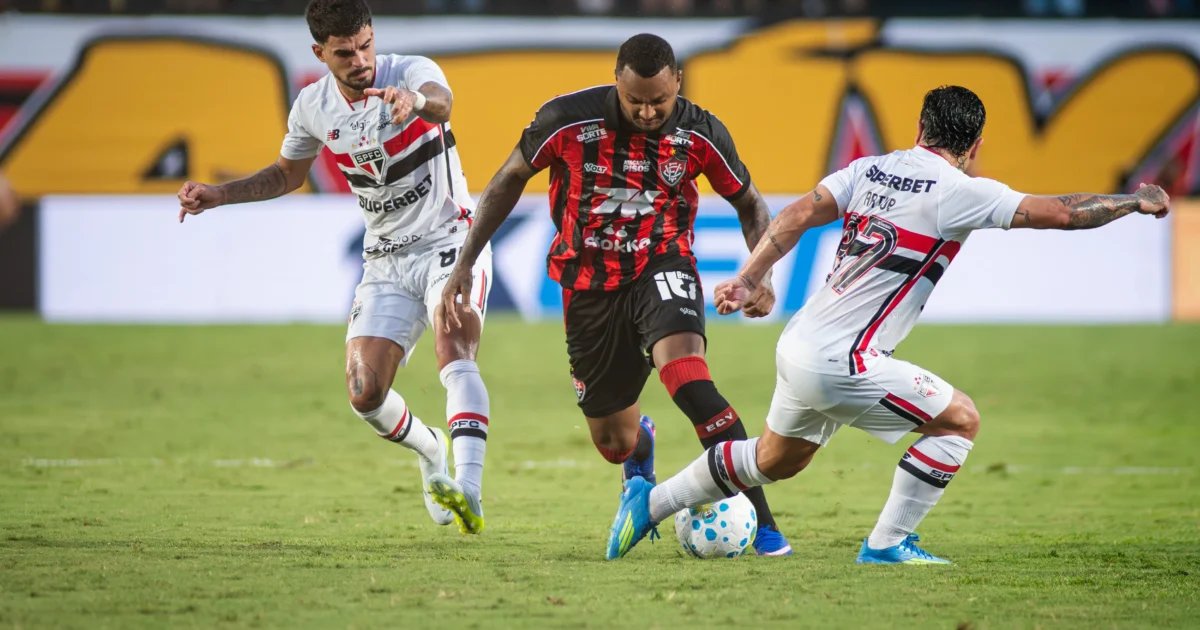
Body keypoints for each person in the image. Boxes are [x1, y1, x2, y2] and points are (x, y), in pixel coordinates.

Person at [607, 84, 1172, 562]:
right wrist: (1134, 201)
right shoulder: (959, 191)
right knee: (959, 421)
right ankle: (887, 543)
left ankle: (648, 504)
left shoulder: (869, 168)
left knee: (775, 460)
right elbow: (1063, 214)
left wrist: (750, 277)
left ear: (921, 127)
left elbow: (797, 214)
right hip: (843, 359)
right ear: (974, 146)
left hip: (799, 342)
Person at [440, 33, 794, 556]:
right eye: (635, 101)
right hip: (587, 286)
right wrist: (465, 262)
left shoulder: (701, 132)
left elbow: (750, 203)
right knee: (614, 442)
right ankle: (640, 451)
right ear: (616, 83)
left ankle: (764, 525)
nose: (648, 112)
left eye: (659, 101)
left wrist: (760, 275)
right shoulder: (566, 120)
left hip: (662, 265)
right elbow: (508, 179)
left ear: (678, 82)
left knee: (690, 381)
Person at [176, 0, 494, 535]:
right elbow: (286, 175)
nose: (360, 60)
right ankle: (430, 449)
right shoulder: (312, 106)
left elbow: (442, 104)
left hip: (451, 240)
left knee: (454, 350)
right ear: (320, 52)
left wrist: (415, 101)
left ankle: (470, 490)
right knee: (364, 392)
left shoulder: (409, 72)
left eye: (365, 46)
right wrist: (219, 194)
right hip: (385, 259)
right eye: (345, 53)